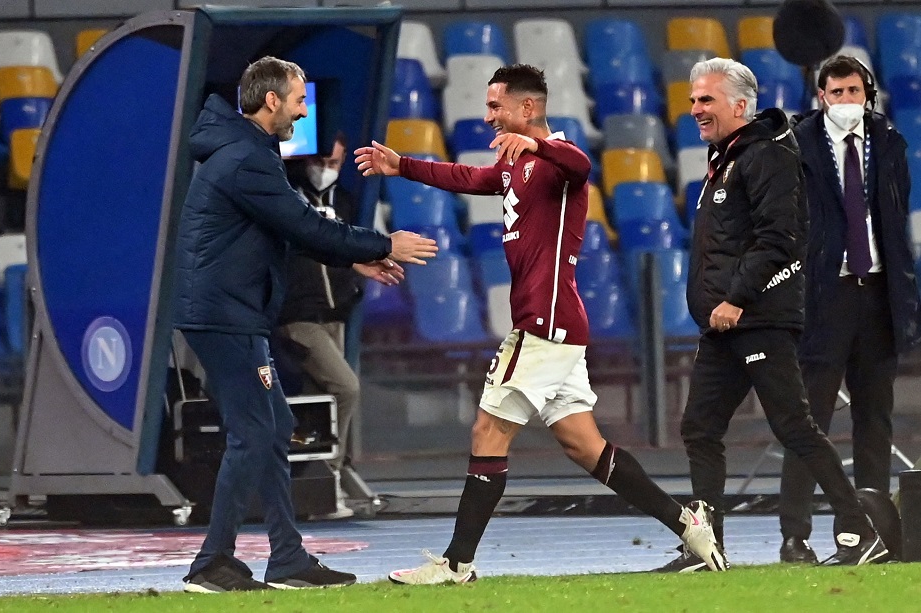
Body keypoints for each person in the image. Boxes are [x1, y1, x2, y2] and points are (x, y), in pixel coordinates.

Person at [354, 63, 725, 585]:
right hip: (557, 326)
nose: (487, 117)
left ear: (527, 107)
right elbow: (469, 177)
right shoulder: (513, 161)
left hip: (544, 325)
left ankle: (457, 563)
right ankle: (689, 526)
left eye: (495, 106)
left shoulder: (557, 159)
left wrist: (538, 147)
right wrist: (403, 165)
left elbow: (580, 164)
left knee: (488, 429)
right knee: (584, 446)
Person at [173, 56, 438, 592]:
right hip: (225, 316)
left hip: (231, 312)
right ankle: (211, 564)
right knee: (254, 433)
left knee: (271, 429)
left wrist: (354, 258)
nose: (301, 110)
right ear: (271, 100)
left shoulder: (245, 152)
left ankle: (287, 559)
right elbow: (301, 223)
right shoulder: (247, 158)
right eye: (297, 100)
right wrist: (383, 243)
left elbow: (291, 227)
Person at [657, 57, 889, 572]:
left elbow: (779, 239)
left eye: (706, 100)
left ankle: (860, 530)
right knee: (700, 427)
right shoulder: (728, 158)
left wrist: (736, 298)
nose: (695, 109)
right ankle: (707, 546)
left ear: (740, 105)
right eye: (693, 99)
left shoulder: (766, 157)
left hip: (755, 317)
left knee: (795, 426)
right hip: (725, 322)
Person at [777, 56, 921, 563]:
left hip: (878, 295)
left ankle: (869, 535)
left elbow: (897, 226)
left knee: (874, 421)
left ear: (869, 93)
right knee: (808, 420)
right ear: (820, 97)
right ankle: (795, 535)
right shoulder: (798, 146)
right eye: (835, 92)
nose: (845, 101)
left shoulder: (889, 142)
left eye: (853, 91)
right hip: (823, 298)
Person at [278, 134, 375, 520]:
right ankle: (329, 480)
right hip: (297, 316)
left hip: (335, 315)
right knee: (345, 387)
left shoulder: (345, 201)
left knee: (321, 401)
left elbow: (347, 250)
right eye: (321, 162)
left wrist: (355, 282)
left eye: (334, 164)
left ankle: (308, 488)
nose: (326, 170)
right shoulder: (286, 196)